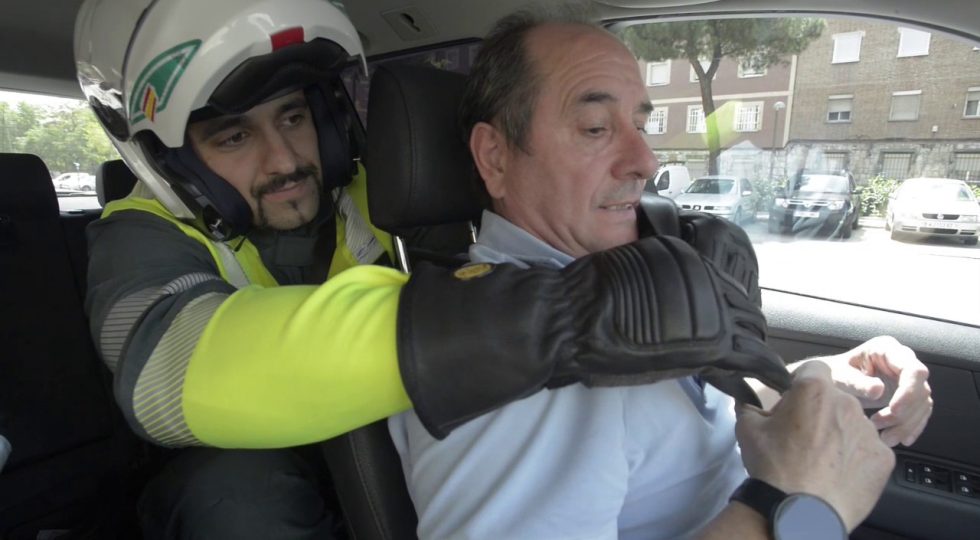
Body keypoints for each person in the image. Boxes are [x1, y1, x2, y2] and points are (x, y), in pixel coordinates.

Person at [74, 0, 794, 537]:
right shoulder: (139, 233)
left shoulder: (367, 187)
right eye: (234, 137)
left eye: (295, 117)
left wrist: (678, 246)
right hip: (245, 462)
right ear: (172, 159)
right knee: (236, 494)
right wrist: (559, 316)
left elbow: (542, 209)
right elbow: (171, 371)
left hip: (376, 447)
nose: (287, 159)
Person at [388, 9, 933, 539]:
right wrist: (794, 506)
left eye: (641, 125)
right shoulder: (517, 363)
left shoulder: (591, 299)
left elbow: (666, 427)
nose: (646, 160)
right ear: (495, 157)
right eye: (596, 127)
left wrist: (810, 378)